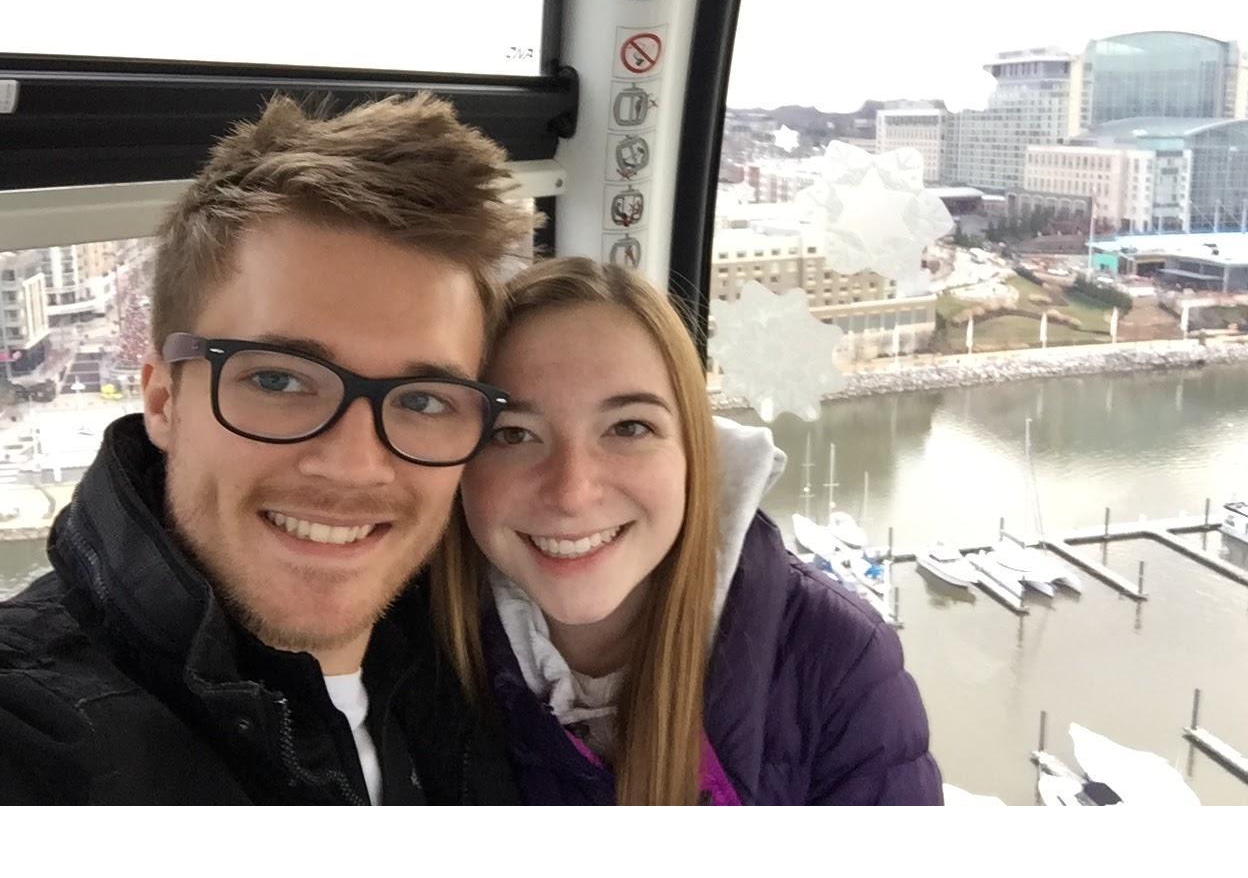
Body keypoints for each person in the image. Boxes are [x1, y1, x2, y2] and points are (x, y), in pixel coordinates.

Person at [0, 92, 531, 804]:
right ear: (163, 399)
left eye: (424, 400)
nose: (352, 463)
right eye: (280, 380)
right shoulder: (36, 730)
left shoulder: (484, 661)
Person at [433, 257, 943, 805]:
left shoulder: (839, 662)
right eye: (513, 434)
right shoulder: (406, 643)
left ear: (693, 453)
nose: (571, 492)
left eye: (629, 427)